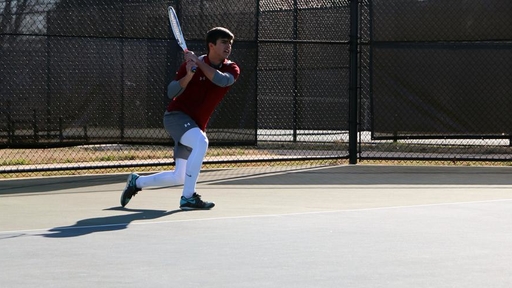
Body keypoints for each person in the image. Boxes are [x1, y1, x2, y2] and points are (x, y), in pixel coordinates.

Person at [120, 27, 240, 210]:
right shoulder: (189, 66)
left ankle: (136, 182)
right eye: (224, 42)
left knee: (180, 176)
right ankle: (188, 197)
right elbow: (171, 92)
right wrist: (189, 75)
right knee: (201, 142)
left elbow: (222, 81)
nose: (228, 47)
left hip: (196, 125)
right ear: (211, 45)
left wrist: (198, 65)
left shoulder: (231, 68)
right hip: (176, 117)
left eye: (230, 43)